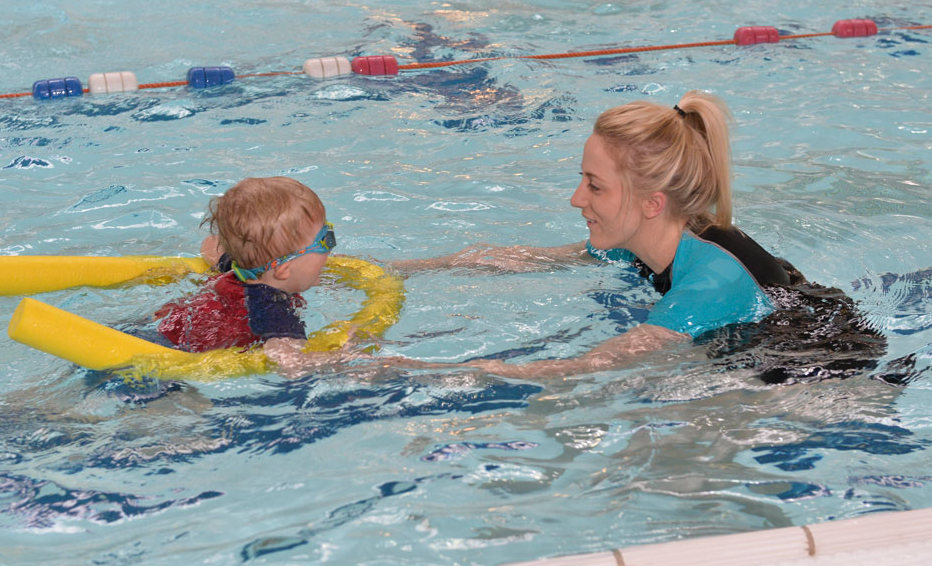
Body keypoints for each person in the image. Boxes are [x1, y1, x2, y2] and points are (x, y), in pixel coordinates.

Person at [387, 91, 885, 382]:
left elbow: (584, 369)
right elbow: (525, 259)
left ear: (652, 204)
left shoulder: (709, 282)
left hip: (823, 377)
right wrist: (398, 270)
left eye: (595, 185)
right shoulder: (650, 233)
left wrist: (401, 369)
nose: (576, 199)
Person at [154, 176, 336, 362]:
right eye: (326, 240)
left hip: (162, 332)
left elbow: (209, 245)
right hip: (173, 361)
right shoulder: (272, 310)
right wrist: (345, 358)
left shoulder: (236, 267)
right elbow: (290, 364)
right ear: (284, 270)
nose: (331, 250)